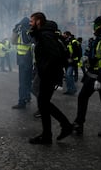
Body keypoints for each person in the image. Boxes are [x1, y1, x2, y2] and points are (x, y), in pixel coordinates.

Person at [28, 12, 73, 145]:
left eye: (32, 21)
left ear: (38, 21)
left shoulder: (45, 35)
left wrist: (44, 70)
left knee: (43, 103)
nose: (30, 24)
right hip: (49, 74)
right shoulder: (45, 33)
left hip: (49, 75)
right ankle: (48, 134)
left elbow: (54, 55)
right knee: (43, 103)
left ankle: (62, 127)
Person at [72, 16, 101, 137]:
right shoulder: (98, 37)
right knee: (83, 97)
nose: (93, 27)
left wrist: (100, 78)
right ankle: (79, 123)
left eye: (95, 24)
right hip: (93, 74)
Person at [12, 17, 33, 109]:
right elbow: (13, 42)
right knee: (27, 80)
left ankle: (21, 101)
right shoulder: (27, 31)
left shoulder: (27, 32)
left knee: (22, 82)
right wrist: (15, 31)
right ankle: (27, 96)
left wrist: (20, 30)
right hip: (26, 59)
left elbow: (25, 41)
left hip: (25, 59)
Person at [62, 31, 80, 95]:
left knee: (68, 75)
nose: (62, 35)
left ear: (67, 35)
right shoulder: (67, 41)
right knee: (68, 76)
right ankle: (70, 89)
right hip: (68, 62)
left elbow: (77, 52)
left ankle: (72, 89)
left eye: (64, 34)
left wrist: (72, 58)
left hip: (72, 62)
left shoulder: (73, 41)